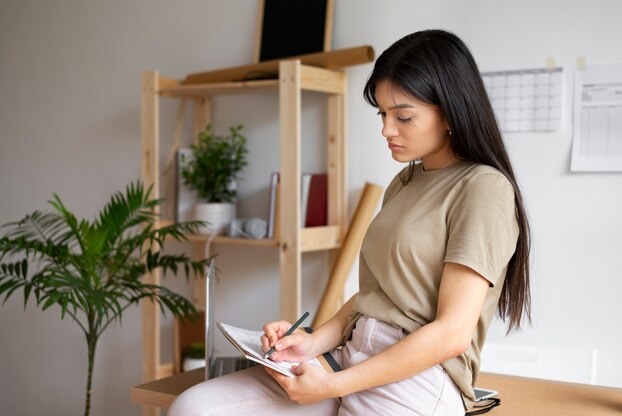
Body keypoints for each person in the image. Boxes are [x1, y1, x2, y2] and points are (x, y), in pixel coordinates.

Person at [168, 29, 531, 416]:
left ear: (451, 111)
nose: (387, 129)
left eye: (403, 116)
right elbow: (373, 297)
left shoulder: (484, 189)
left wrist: (333, 385)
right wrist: (311, 342)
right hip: (351, 355)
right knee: (193, 407)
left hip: (418, 376)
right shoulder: (405, 182)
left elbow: (452, 333)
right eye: (383, 114)